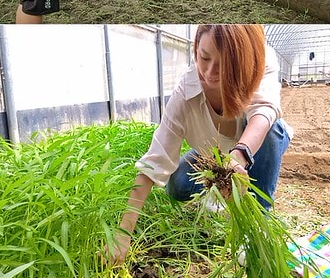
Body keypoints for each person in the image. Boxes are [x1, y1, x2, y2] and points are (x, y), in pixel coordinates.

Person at [106, 25, 293, 265]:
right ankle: (216, 191)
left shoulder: (260, 59)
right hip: (213, 153)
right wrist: (123, 234)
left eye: (225, 64)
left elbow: (264, 111)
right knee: (177, 186)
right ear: (196, 49)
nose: (210, 72)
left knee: (272, 128)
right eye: (204, 57)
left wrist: (238, 156)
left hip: (253, 148)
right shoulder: (187, 90)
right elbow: (155, 160)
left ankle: (258, 226)